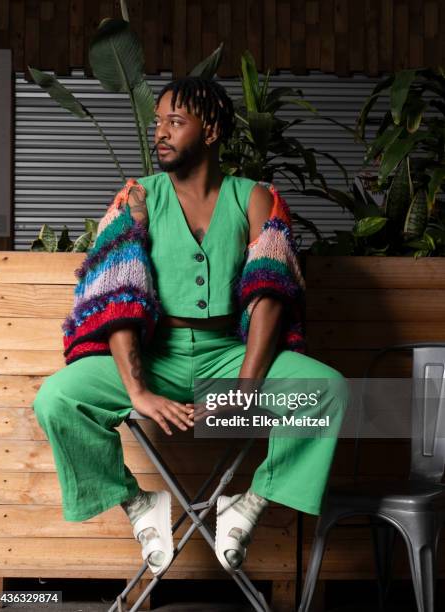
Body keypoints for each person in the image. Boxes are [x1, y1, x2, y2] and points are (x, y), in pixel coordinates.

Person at [32, 76, 349, 578]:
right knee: (56, 399)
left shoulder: (257, 199)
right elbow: (118, 295)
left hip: (230, 352)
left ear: (213, 129)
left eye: (175, 122)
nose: (160, 132)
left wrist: (243, 390)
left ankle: (249, 503)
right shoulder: (136, 196)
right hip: (157, 354)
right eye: (157, 122)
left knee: (326, 390)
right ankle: (138, 504)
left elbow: (270, 296)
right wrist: (137, 390)